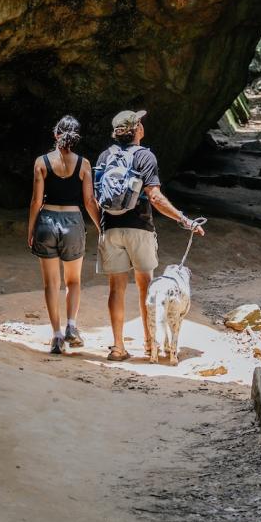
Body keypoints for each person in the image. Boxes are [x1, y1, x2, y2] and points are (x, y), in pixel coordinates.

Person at [96, 109, 204, 362]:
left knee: (116, 289)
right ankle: (149, 344)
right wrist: (184, 220)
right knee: (147, 289)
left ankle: (118, 347)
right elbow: (154, 197)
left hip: (110, 228)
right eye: (140, 123)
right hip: (140, 228)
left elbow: (94, 195)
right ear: (137, 130)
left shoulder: (105, 156)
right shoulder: (145, 156)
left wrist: (101, 226)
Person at [25, 115, 102, 355]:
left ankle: (56, 336)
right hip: (73, 222)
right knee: (73, 281)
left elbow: (36, 201)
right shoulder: (84, 164)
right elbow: (89, 201)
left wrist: (31, 229)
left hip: (47, 221)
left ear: (55, 134)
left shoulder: (41, 162)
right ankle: (71, 326)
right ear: (76, 138)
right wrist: (102, 228)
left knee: (51, 283)